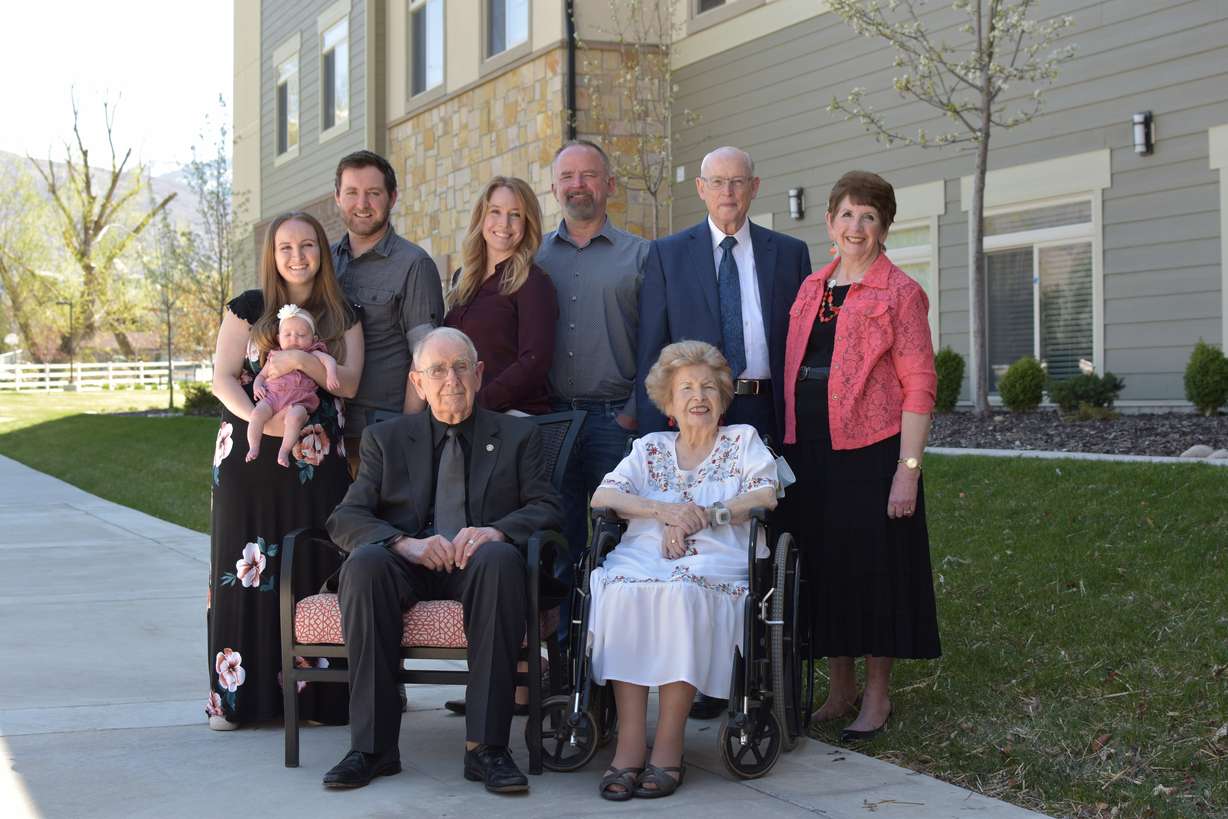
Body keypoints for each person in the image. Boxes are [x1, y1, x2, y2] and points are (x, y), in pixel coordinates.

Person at [321, 327, 563, 794]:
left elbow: (547, 506)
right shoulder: (384, 439)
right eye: (437, 370)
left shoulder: (517, 436)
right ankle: (372, 749)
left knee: (499, 561)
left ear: (479, 373)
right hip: (407, 564)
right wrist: (402, 543)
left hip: (479, 565)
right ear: (418, 382)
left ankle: (487, 748)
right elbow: (346, 516)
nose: (450, 379)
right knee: (365, 565)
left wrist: (497, 531)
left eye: (460, 367)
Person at [636, 145, 810, 719]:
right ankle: (705, 676)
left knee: (759, 539)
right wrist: (666, 411)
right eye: (718, 182)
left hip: (764, 410)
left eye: (739, 182)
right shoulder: (667, 255)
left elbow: (802, 346)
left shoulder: (789, 254)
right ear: (702, 189)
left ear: (755, 188)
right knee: (702, 535)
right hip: (696, 413)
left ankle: (761, 666)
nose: (729, 192)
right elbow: (654, 344)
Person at [780, 170, 940, 743]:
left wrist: (908, 469)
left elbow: (920, 384)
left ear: (885, 227)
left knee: (875, 572)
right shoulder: (811, 290)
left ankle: (877, 696)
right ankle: (839, 687)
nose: (856, 226)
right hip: (811, 452)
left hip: (872, 453)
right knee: (826, 567)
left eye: (868, 216)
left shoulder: (900, 293)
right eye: (846, 214)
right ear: (829, 223)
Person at [588, 341, 778, 800]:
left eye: (709, 387)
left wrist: (705, 515)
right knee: (618, 589)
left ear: (723, 398)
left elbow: (765, 495)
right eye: (687, 388)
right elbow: (603, 497)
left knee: (682, 593)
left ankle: (669, 745)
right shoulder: (650, 447)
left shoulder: (742, 441)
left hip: (719, 553)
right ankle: (631, 745)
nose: (699, 396)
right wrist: (666, 512)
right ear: (669, 404)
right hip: (645, 549)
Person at [207, 212, 364, 730]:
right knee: (243, 574)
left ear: (322, 250)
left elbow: (349, 385)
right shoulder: (248, 309)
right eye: (284, 247)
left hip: (316, 463)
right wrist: (265, 426)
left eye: (307, 245)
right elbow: (223, 378)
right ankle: (237, 701)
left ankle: (321, 701)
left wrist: (299, 364)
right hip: (249, 460)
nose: (296, 256)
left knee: (313, 567)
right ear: (271, 256)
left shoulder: (344, 314)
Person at [536, 139, 648, 644]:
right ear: (555, 187)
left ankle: (612, 658)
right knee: (558, 540)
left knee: (616, 541)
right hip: (551, 420)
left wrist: (631, 412)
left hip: (614, 422)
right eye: (567, 177)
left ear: (609, 185)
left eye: (588, 175)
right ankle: (562, 663)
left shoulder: (642, 255)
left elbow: (657, 340)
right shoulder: (532, 256)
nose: (577, 185)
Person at [332, 150, 445, 468]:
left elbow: (424, 359)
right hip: (323, 433)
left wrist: (407, 436)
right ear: (337, 197)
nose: (362, 204)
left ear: (392, 197)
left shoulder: (414, 265)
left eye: (374, 193)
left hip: (380, 437)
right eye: (352, 193)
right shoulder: (324, 261)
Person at [444, 176, 558, 415]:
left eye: (515, 214)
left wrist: (478, 404)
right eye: (495, 211)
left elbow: (534, 362)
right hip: (463, 417)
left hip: (511, 418)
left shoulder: (533, 282)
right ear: (481, 217)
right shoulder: (461, 279)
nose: (504, 223)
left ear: (527, 223)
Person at [246, 305, 341, 466]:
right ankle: (253, 447)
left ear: (314, 339)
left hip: (300, 401)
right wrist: (258, 387)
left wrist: (331, 374)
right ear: (278, 338)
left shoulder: (312, 353)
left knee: (295, 417)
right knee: (256, 415)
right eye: (287, 335)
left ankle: (284, 450)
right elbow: (262, 376)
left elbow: (329, 361)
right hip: (272, 397)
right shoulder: (275, 356)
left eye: (301, 335)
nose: (294, 339)